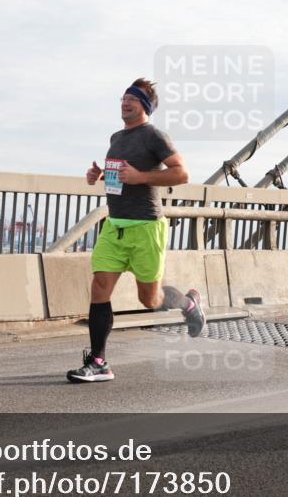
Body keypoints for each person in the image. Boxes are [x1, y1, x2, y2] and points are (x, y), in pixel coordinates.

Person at [66, 78, 206, 383]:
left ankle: (188, 304)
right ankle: (99, 362)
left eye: (132, 99)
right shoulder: (116, 137)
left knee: (150, 300)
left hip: (146, 227)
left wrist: (141, 177)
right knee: (100, 288)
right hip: (115, 226)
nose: (125, 103)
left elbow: (182, 173)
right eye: (123, 98)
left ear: (145, 106)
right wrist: (100, 175)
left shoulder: (154, 136)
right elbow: (120, 177)